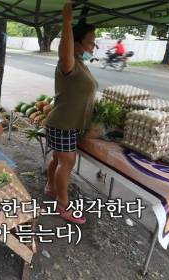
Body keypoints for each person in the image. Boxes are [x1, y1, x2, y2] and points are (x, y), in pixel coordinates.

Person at [43, 2, 98, 225]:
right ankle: (63, 205)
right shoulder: (68, 63)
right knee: (67, 163)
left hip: (68, 123)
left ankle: (50, 187)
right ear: (75, 43)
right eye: (91, 42)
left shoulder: (80, 62)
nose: (94, 46)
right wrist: (67, 20)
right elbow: (65, 48)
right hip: (63, 124)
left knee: (58, 159)